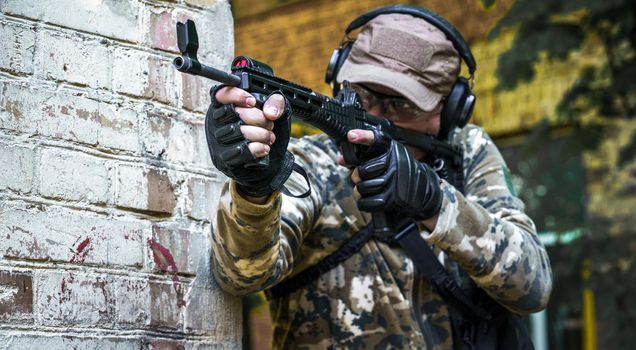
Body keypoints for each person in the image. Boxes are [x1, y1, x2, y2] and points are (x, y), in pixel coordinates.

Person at [208, 6, 552, 349]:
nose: (377, 116)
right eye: (364, 96)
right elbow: (238, 275)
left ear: (449, 111)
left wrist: (435, 203)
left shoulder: (467, 152)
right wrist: (255, 191)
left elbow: (533, 286)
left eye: (402, 105)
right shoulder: (316, 164)